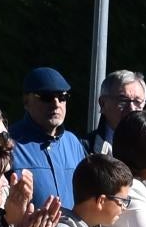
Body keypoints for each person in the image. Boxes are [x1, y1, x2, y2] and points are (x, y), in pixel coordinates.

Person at [9, 66, 87, 207]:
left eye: (62, 97)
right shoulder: (9, 143)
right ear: (26, 101)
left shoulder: (73, 143)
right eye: (46, 97)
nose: (56, 104)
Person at [90, 69, 146, 156]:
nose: (131, 108)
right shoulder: (84, 148)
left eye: (137, 101)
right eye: (123, 100)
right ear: (103, 103)